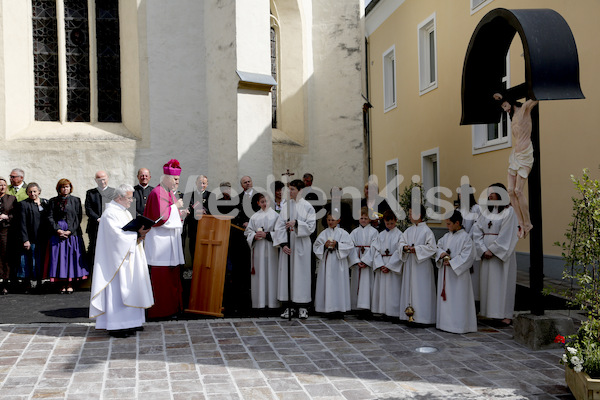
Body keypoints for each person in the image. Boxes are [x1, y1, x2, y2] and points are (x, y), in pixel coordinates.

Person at [90, 184, 154, 338]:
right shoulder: (110, 213)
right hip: (116, 263)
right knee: (118, 292)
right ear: (119, 197)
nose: (132, 200)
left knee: (131, 288)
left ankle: (132, 322)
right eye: (129, 197)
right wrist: (136, 235)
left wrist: (139, 235)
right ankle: (116, 326)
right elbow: (116, 238)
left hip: (127, 258)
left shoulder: (123, 211)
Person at [143, 159, 188, 319]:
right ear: (166, 178)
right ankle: (161, 311)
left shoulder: (168, 193)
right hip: (160, 246)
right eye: (175, 179)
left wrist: (181, 214)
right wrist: (175, 208)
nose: (177, 182)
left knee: (171, 278)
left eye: (178, 180)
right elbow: (159, 218)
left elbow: (171, 216)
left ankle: (174, 309)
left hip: (169, 244)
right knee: (161, 281)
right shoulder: (157, 193)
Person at [493, 92, 539, 239]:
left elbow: (537, 98)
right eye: (503, 107)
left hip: (525, 154)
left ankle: (528, 223)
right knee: (510, 190)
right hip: (515, 156)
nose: (505, 109)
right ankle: (520, 223)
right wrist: (498, 96)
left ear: (510, 101)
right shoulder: (512, 117)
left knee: (519, 191)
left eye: (505, 106)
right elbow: (496, 94)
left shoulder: (524, 109)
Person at [472, 182, 519, 326]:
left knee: (502, 283)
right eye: (489, 192)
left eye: (493, 192)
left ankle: (505, 315)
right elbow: (476, 230)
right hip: (486, 253)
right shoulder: (486, 212)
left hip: (500, 255)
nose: (490, 194)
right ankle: (491, 313)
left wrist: (492, 250)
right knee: (488, 284)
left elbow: (507, 234)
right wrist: (482, 249)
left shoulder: (509, 211)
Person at [273, 179, 316, 319]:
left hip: (301, 244)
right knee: (287, 274)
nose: (290, 192)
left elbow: (311, 227)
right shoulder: (286, 206)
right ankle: (288, 306)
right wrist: (283, 244)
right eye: (289, 189)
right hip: (288, 244)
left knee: (301, 275)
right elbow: (279, 226)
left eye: (292, 189)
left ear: (300, 191)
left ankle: (303, 306)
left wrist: (297, 223)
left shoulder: (308, 207)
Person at [435, 210, 477, 334]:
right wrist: (441, 254)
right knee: (447, 299)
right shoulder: (447, 236)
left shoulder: (466, 238)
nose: (447, 226)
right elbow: (438, 246)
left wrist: (452, 262)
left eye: (449, 224)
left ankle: (458, 326)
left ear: (457, 223)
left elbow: (468, 256)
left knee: (458, 299)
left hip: (458, 277)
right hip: (446, 274)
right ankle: (445, 324)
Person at [46, 178, 88, 293]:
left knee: (71, 258)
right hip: (58, 233)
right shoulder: (53, 201)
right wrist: (58, 230)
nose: (65, 189)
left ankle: (70, 283)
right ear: (59, 188)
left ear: (70, 188)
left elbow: (78, 218)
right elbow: (49, 217)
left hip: (72, 233)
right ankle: (61, 283)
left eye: (67, 187)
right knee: (60, 258)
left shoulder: (76, 200)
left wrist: (70, 231)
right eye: (63, 187)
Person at [398, 205, 437, 325]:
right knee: (410, 288)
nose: (409, 216)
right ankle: (408, 316)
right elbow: (401, 242)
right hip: (410, 264)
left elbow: (432, 248)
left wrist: (417, 250)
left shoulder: (427, 231)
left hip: (422, 267)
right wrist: (404, 247)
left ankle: (422, 318)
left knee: (421, 290)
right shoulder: (408, 230)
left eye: (411, 213)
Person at [244, 192, 280, 312]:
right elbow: (248, 232)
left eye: (266, 201)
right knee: (259, 274)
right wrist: (254, 235)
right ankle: (259, 303)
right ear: (258, 203)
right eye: (262, 202)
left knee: (271, 274)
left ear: (270, 202)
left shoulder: (276, 216)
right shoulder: (254, 217)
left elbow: (280, 233)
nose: (264, 204)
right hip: (258, 249)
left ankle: (272, 303)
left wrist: (267, 235)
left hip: (271, 249)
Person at [313, 211, 353, 317]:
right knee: (327, 284)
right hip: (327, 262)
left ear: (338, 221)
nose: (331, 222)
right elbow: (316, 246)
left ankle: (339, 308)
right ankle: (326, 308)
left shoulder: (343, 233)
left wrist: (338, 245)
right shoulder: (324, 233)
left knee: (339, 284)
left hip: (338, 261)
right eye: (329, 220)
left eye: (333, 220)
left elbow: (349, 246)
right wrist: (324, 246)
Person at [371, 210, 403, 320]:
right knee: (382, 289)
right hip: (382, 263)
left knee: (393, 289)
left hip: (392, 265)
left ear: (396, 221)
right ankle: (383, 311)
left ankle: (393, 313)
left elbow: (399, 252)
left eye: (392, 223)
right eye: (387, 223)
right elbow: (375, 250)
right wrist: (380, 265)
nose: (389, 225)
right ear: (384, 222)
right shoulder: (381, 235)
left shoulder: (400, 235)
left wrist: (389, 266)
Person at [17, 183, 49, 291]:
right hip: (31, 238)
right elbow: (22, 223)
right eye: (30, 192)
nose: (32, 194)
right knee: (30, 261)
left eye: (35, 191)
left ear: (39, 191)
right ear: (27, 193)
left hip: (43, 238)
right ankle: (29, 283)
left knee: (41, 261)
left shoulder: (45, 203)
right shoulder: (24, 204)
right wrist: (25, 239)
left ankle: (41, 282)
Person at [348, 207, 378, 314]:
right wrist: (356, 260)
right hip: (357, 262)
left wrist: (366, 261)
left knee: (367, 283)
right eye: (361, 218)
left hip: (367, 263)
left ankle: (367, 307)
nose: (363, 220)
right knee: (356, 283)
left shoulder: (374, 232)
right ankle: (356, 307)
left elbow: (375, 247)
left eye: (366, 218)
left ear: (370, 219)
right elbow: (350, 246)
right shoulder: (354, 232)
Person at [456, 186, 482, 303]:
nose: (461, 196)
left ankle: (475, 301)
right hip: (459, 245)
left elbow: (477, 226)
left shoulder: (476, 209)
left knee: (474, 275)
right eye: (460, 194)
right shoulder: (457, 211)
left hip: (472, 245)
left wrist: (466, 238)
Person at [85, 170, 116, 267]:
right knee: (94, 249)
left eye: (104, 179)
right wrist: (98, 218)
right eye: (99, 180)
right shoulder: (90, 193)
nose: (102, 182)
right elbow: (88, 209)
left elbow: (116, 208)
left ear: (107, 178)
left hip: (110, 226)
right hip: (94, 226)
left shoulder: (114, 192)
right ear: (95, 180)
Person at [185, 175, 212, 265]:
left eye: (204, 183)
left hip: (206, 229)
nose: (202, 185)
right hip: (193, 228)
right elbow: (187, 209)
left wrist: (205, 211)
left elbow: (213, 211)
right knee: (193, 251)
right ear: (196, 183)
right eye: (200, 182)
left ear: (207, 184)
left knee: (205, 253)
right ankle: (194, 273)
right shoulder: (189, 195)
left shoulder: (211, 195)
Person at [0, 177, 17, 295]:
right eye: (0, 185)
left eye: (4, 185)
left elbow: (15, 215)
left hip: (5, 231)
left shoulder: (11, 198)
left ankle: (5, 282)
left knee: (5, 256)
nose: (2, 187)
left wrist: (7, 217)